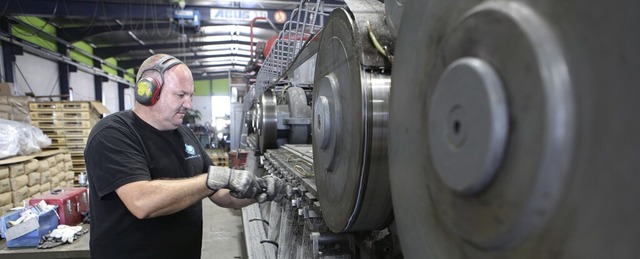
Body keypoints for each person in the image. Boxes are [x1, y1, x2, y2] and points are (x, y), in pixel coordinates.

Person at [84, 54, 287, 259]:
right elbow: (141, 201)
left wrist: (258, 191)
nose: (189, 104)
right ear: (148, 91)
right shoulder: (113, 133)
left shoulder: (184, 134)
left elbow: (219, 193)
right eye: (180, 95)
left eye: (190, 95)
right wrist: (213, 179)